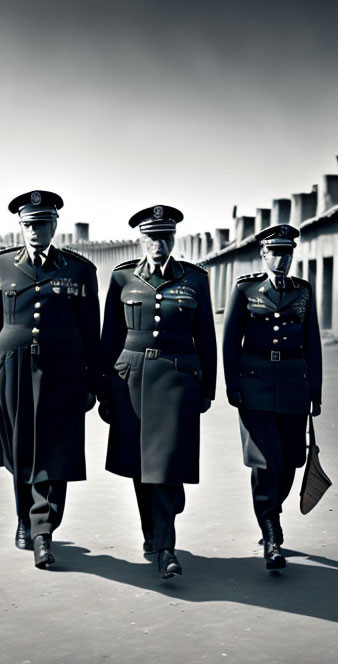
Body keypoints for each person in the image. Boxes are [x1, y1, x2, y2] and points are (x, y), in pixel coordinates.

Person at [0, 190, 100, 569]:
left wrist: (92, 381)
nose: (35, 231)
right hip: (10, 370)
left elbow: (90, 330)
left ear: (54, 226)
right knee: (20, 450)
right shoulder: (2, 265)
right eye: (28, 224)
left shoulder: (78, 270)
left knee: (54, 451)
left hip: (62, 374)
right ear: (20, 226)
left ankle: (43, 531)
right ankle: (23, 518)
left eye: (42, 224)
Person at [99, 205, 216, 579]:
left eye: (165, 237)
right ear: (142, 240)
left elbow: (207, 339)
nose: (158, 244)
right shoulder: (122, 279)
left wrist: (208, 389)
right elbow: (110, 337)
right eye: (151, 238)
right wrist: (103, 390)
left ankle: (167, 547)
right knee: (140, 464)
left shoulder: (195, 280)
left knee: (164, 466)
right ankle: (152, 531)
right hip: (130, 379)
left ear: (173, 239)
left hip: (177, 380)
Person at [221, 223, 322, 570]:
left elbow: (312, 343)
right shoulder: (246, 289)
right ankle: (271, 531)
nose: (282, 259)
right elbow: (231, 340)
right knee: (266, 461)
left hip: (294, 385)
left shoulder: (304, 291)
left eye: (288, 252)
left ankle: (271, 511)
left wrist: (315, 392)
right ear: (264, 254)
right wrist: (232, 386)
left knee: (291, 459)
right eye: (276, 252)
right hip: (256, 384)